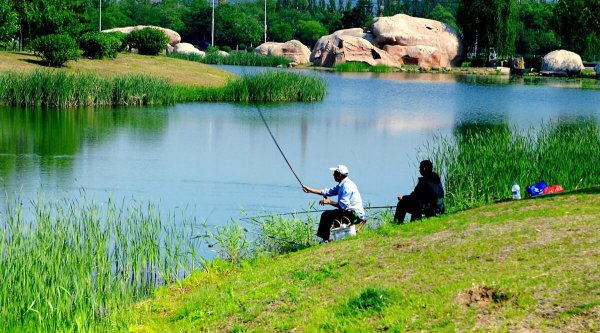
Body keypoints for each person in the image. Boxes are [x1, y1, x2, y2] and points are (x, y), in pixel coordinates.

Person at [302, 164, 365, 242]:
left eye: (335, 173)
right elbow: (328, 192)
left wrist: (329, 202)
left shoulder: (347, 187)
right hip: (351, 213)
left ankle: (325, 240)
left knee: (326, 215)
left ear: (340, 175)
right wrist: (310, 190)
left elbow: (342, 206)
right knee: (331, 215)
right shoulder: (342, 184)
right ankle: (333, 238)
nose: (333, 175)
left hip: (356, 216)